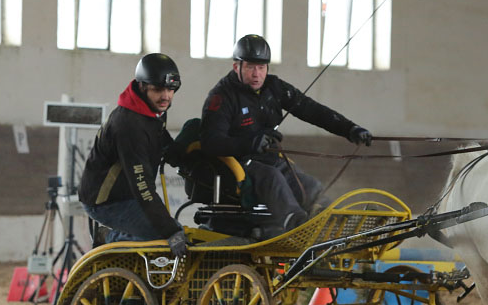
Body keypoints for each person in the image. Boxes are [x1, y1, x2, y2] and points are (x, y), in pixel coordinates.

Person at [199, 34, 373, 232]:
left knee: (310, 184)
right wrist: (250, 143)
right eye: (250, 67)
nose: (257, 74)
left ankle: (335, 223)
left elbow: (312, 110)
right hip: (238, 165)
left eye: (261, 67)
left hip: (271, 160)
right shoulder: (221, 96)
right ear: (236, 67)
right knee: (273, 178)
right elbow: (210, 142)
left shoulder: (275, 87)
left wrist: (350, 129)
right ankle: (297, 225)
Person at [79, 53, 192, 257]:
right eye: (158, 89)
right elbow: (142, 188)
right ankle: (111, 239)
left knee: (172, 231)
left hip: (126, 193)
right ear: (142, 87)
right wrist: (170, 230)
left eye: (170, 89)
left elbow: (161, 140)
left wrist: (187, 161)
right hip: (106, 201)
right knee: (168, 234)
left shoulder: (153, 110)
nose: (165, 96)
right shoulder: (129, 125)